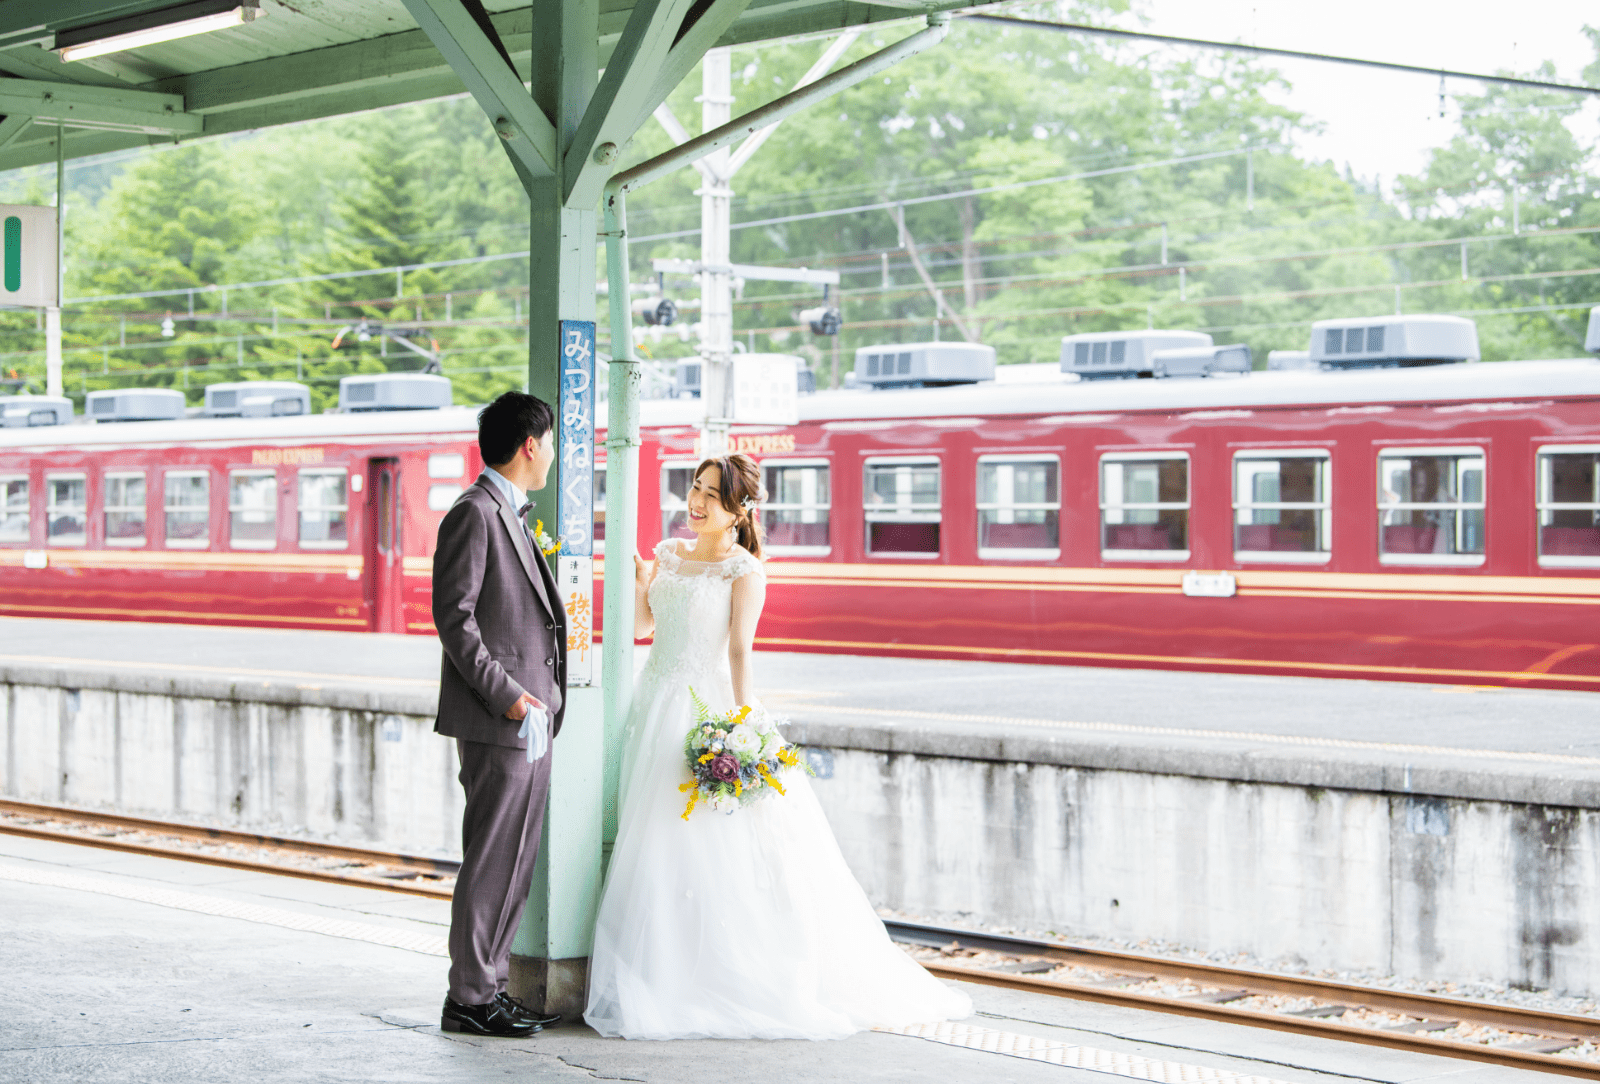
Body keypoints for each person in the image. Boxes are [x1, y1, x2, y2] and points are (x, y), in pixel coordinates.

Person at [584, 453, 971, 1039]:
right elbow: (643, 629)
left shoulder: (744, 571)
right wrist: (641, 586)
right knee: (652, 839)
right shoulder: (668, 554)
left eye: (711, 496)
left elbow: (739, 650)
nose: (696, 502)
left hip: (701, 710)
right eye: (694, 489)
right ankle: (658, 964)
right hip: (651, 703)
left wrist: (739, 728)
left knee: (695, 844)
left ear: (739, 511)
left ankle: (706, 974)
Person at [432, 391, 568, 1038]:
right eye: (552, 441)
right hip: (503, 717)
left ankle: (488, 988)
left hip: (530, 722)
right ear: (531, 445)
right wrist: (508, 693)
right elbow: (454, 621)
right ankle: (469, 997)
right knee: (492, 858)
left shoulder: (506, 513)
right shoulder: (474, 514)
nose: (554, 454)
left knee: (515, 857)